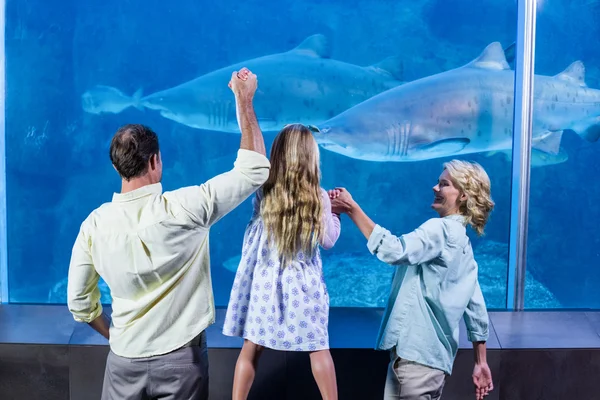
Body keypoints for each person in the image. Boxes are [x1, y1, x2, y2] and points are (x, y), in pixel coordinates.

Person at [66, 67, 270, 400]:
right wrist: (244, 100)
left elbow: (79, 303)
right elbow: (255, 169)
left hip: (122, 361)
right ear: (156, 161)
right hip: (182, 363)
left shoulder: (94, 225)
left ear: (116, 167)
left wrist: (116, 335)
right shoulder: (187, 206)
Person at [329, 160, 495, 400]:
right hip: (435, 365)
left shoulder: (440, 229)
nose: (434, 188)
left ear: (463, 196)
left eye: (444, 184)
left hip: (415, 362)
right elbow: (476, 307)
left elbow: (394, 251)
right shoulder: (463, 243)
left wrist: (352, 208)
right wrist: (481, 362)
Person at [222, 123, 341, 400]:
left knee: (250, 349)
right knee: (319, 348)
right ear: (311, 157)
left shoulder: (264, 189)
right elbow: (328, 240)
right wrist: (335, 213)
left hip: (265, 285)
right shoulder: (319, 196)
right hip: (304, 288)